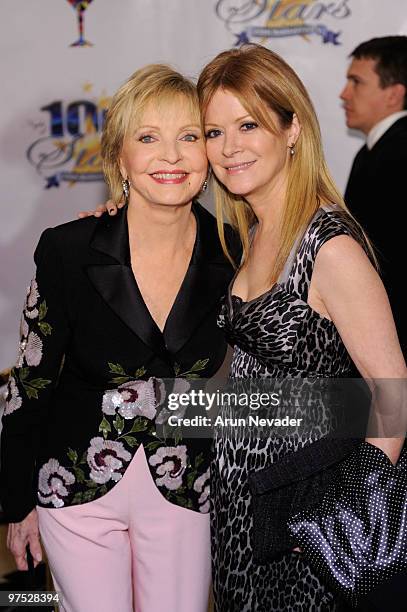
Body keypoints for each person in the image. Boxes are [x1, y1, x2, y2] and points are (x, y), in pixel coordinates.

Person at [84, 45, 406, 611]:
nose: (229, 147)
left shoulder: (329, 245)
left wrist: (349, 519)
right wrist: (117, 216)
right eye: (212, 131)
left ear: (292, 129)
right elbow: (256, 393)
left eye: (248, 124)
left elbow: (391, 394)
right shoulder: (246, 237)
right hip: (238, 508)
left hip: (308, 522)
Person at [0, 64, 240, 612]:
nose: (171, 156)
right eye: (148, 138)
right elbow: (30, 381)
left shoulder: (236, 253)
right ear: (120, 157)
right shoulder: (69, 249)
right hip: (74, 487)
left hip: (189, 488)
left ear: (211, 155)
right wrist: (16, 502)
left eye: (190, 137)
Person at [340, 36, 407, 359]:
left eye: (356, 82)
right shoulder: (373, 152)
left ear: (394, 94)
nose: (344, 93)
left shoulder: (396, 152)